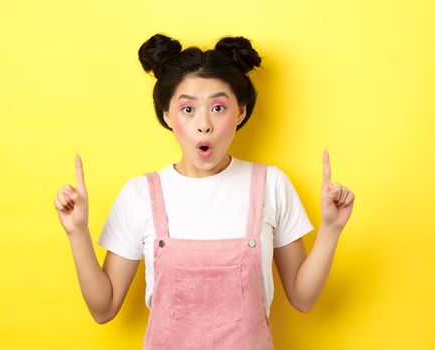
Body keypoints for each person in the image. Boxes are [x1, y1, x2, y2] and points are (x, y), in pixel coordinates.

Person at [53, 33, 356, 349]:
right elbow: (103, 308)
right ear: (167, 116)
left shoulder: (271, 184)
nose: (204, 125)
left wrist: (331, 229)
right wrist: (77, 233)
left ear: (240, 112)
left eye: (218, 108)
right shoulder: (140, 194)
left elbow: (303, 298)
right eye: (187, 110)